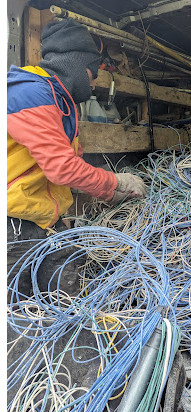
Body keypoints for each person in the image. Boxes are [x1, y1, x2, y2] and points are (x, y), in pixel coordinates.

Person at [7, 18, 146, 298]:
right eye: (93, 74)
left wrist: (109, 193)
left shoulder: (60, 101)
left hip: (41, 216)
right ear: (75, 66)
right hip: (13, 221)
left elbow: (73, 161)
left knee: (66, 290)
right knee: (17, 306)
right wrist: (116, 182)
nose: (93, 85)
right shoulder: (31, 94)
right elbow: (62, 169)